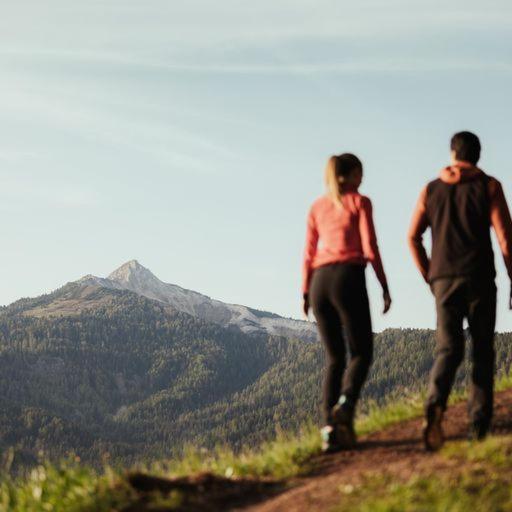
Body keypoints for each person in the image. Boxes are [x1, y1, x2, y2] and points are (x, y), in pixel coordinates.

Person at [408, 131, 512, 451]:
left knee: (448, 349)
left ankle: (435, 403)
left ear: (453, 154)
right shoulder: (489, 185)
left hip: (443, 279)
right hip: (479, 276)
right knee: (482, 350)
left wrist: (430, 276)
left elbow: (413, 237)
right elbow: (505, 238)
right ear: (478, 156)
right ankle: (478, 426)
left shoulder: (431, 189)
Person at [302, 153, 391, 453]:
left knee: (335, 358)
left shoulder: (317, 206)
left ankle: (330, 431)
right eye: (360, 174)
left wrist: (304, 293)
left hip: (319, 283)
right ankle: (346, 403)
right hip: (347, 278)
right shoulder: (359, 202)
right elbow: (371, 246)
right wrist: (384, 285)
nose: (362, 180)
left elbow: (308, 253)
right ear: (351, 175)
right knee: (362, 352)